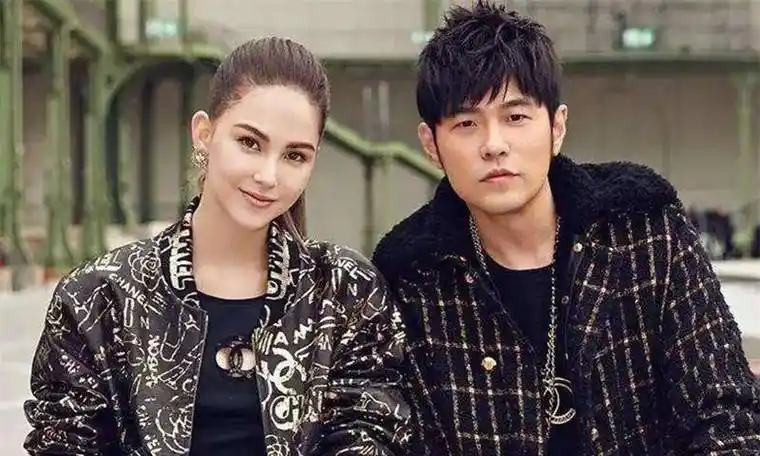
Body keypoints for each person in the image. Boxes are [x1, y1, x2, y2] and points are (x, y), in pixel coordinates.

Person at [372, 2, 760, 455]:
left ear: (556, 127)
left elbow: (726, 414)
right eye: (466, 123)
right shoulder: (412, 278)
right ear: (431, 145)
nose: (494, 145)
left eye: (516, 117)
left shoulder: (644, 230)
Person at [24, 37, 410, 456]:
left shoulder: (344, 290)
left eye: (295, 156)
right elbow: (64, 443)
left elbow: (369, 432)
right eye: (250, 143)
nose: (268, 176)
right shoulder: (99, 297)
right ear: (204, 133)